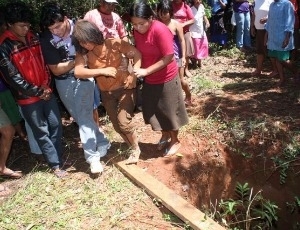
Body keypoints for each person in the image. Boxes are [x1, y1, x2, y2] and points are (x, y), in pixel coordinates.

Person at [39, 2, 110, 174]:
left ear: (65, 19)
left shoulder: (79, 29)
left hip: (85, 77)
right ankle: (102, 141)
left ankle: (92, 158)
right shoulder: (45, 39)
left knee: (84, 116)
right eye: (51, 29)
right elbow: (56, 69)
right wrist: (77, 62)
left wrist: (81, 66)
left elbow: (96, 45)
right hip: (63, 81)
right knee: (80, 117)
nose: (55, 31)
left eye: (58, 26)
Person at [0, 2, 66, 178]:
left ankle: (56, 157)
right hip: (27, 97)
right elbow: (12, 78)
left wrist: (46, 85)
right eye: (21, 25)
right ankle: (55, 165)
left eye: (28, 24)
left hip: (46, 90)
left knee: (56, 124)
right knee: (41, 131)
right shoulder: (4, 46)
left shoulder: (34, 37)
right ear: (9, 25)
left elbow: (45, 63)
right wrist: (37, 91)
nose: (26, 28)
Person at [72, 20, 142, 164]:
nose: (84, 45)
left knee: (123, 122)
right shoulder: (84, 53)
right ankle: (130, 146)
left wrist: (133, 75)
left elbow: (137, 55)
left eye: (85, 41)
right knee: (117, 126)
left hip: (125, 89)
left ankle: (136, 149)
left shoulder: (114, 44)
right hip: (107, 94)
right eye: (81, 42)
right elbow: (78, 71)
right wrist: (101, 71)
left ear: (93, 35)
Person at [130, 1, 189, 157]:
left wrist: (146, 71)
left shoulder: (160, 30)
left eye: (141, 23)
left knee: (169, 111)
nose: (137, 27)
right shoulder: (136, 31)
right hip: (149, 77)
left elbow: (169, 57)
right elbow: (139, 51)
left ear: (150, 18)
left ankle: (175, 139)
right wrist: (135, 65)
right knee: (152, 110)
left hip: (166, 78)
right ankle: (165, 134)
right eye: (134, 24)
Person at [84, 0, 129, 124]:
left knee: (121, 81)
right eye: (108, 3)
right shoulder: (91, 16)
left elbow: (123, 35)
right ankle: (109, 109)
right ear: (100, 2)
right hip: (98, 57)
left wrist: (125, 51)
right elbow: (85, 37)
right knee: (104, 84)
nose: (111, 7)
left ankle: (124, 109)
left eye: (113, 4)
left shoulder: (116, 17)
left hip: (116, 56)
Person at [157, 0, 192, 106]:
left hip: (176, 56)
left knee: (180, 80)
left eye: (165, 12)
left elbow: (182, 40)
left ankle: (188, 94)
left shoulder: (176, 25)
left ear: (170, 12)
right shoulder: (156, 24)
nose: (163, 15)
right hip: (162, 57)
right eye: (161, 12)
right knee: (166, 81)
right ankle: (171, 101)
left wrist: (184, 57)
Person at [265, 0, 298, 86]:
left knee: (283, 60)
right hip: (273, 37)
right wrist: (266, 35)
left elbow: (290, 21)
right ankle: (282, 79)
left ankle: (296, 72)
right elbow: (269, 21)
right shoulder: (272, 5)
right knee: (276, 58)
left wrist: (287, 37)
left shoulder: (287, 4)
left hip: (282, 36)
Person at [250, 0, 278, 77]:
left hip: (268, 29)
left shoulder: (272, 1)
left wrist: (267, 18)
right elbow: (254, 14)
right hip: (259, 29)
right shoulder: (256, 1)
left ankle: (275, 70)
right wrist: (252, 26)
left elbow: (276, 13)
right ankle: (259, 70)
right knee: (259, 50)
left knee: (268, 50)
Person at [172, 0, 195, 78]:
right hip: (173, 33)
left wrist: (183, 24)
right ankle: (175, 70)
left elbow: (192, 20)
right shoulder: (170, 5)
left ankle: (186, 69)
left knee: (186, 53)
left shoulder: (186, 7)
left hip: (184, 32)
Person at [190, 0, 210, 68]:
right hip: (193, 31)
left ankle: (200, 63)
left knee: (204, 45)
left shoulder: (201, 6)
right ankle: (195, 63)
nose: (198, 1)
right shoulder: (190, 8)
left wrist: (207, 21)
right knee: (196, 48)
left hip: (201, 31)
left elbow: (204, 15)